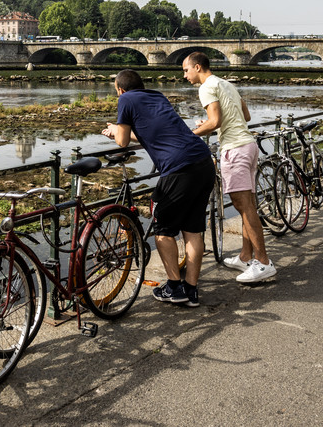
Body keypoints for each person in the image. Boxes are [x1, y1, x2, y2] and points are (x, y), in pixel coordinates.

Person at [102, 69, 215, 307]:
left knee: (163, 230)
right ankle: (191, 290)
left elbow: (122, 142)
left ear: (120, 89)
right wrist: (124, 131)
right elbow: (148, 134)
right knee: (193, 230)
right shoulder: (157, 96)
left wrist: (114, 131)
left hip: (178, 168)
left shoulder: (125, 99)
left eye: (117, 91)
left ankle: (174, 287)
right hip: (203, 162)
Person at [182, 52, 277, 283]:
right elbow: (245, 115)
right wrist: (211, 124)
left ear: (197, 67)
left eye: (186, 70)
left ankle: (263, 262)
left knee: (244, 207)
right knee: (248, 205)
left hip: (234, 149)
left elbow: (215, 122)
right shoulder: (226, 84)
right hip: (249, 145)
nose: (184, 75)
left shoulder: (205, 87)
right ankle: (246, 257)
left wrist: (188, 136)